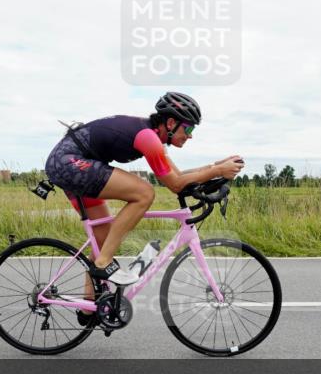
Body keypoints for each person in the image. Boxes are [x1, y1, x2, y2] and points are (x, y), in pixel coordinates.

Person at [44, 92, 245, 301]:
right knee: (144, 193)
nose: (191, 135)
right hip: (69, 162)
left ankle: (90, 303)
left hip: (71, 163)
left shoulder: (153, 138)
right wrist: (218, 172)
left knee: (103, 237)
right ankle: (103, 262)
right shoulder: (148, 138)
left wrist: (215, 166)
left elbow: (178, 176)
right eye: (189, 128)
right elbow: (175, 185)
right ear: (170, 122)